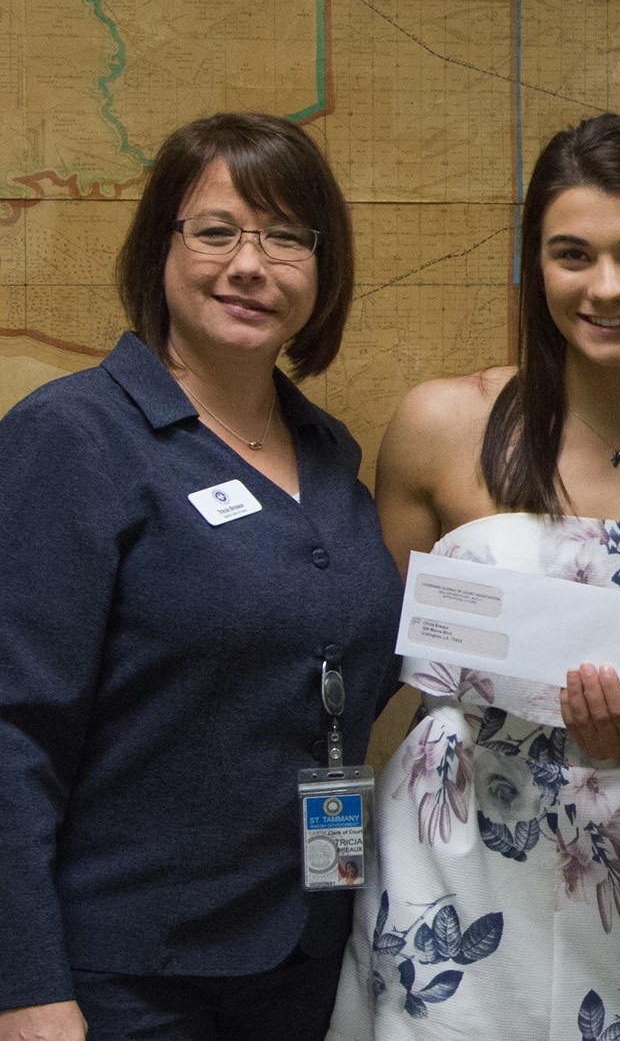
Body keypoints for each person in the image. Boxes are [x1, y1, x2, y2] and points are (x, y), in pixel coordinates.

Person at [0, 113, 402, 1041]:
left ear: (322, 268)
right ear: (160, 250)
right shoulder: (73, 438)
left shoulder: (327, 453)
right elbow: (13, 727)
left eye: (286, 237)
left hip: (301, 955)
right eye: (217, 231)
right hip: (123, 977)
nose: (250, 265)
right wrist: (24, 985)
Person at [326, 115, 620, 1041]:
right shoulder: (441, 426)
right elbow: (371, 659)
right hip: (449, 858)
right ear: (534, 266)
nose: (607, 287)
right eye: (572, 254)